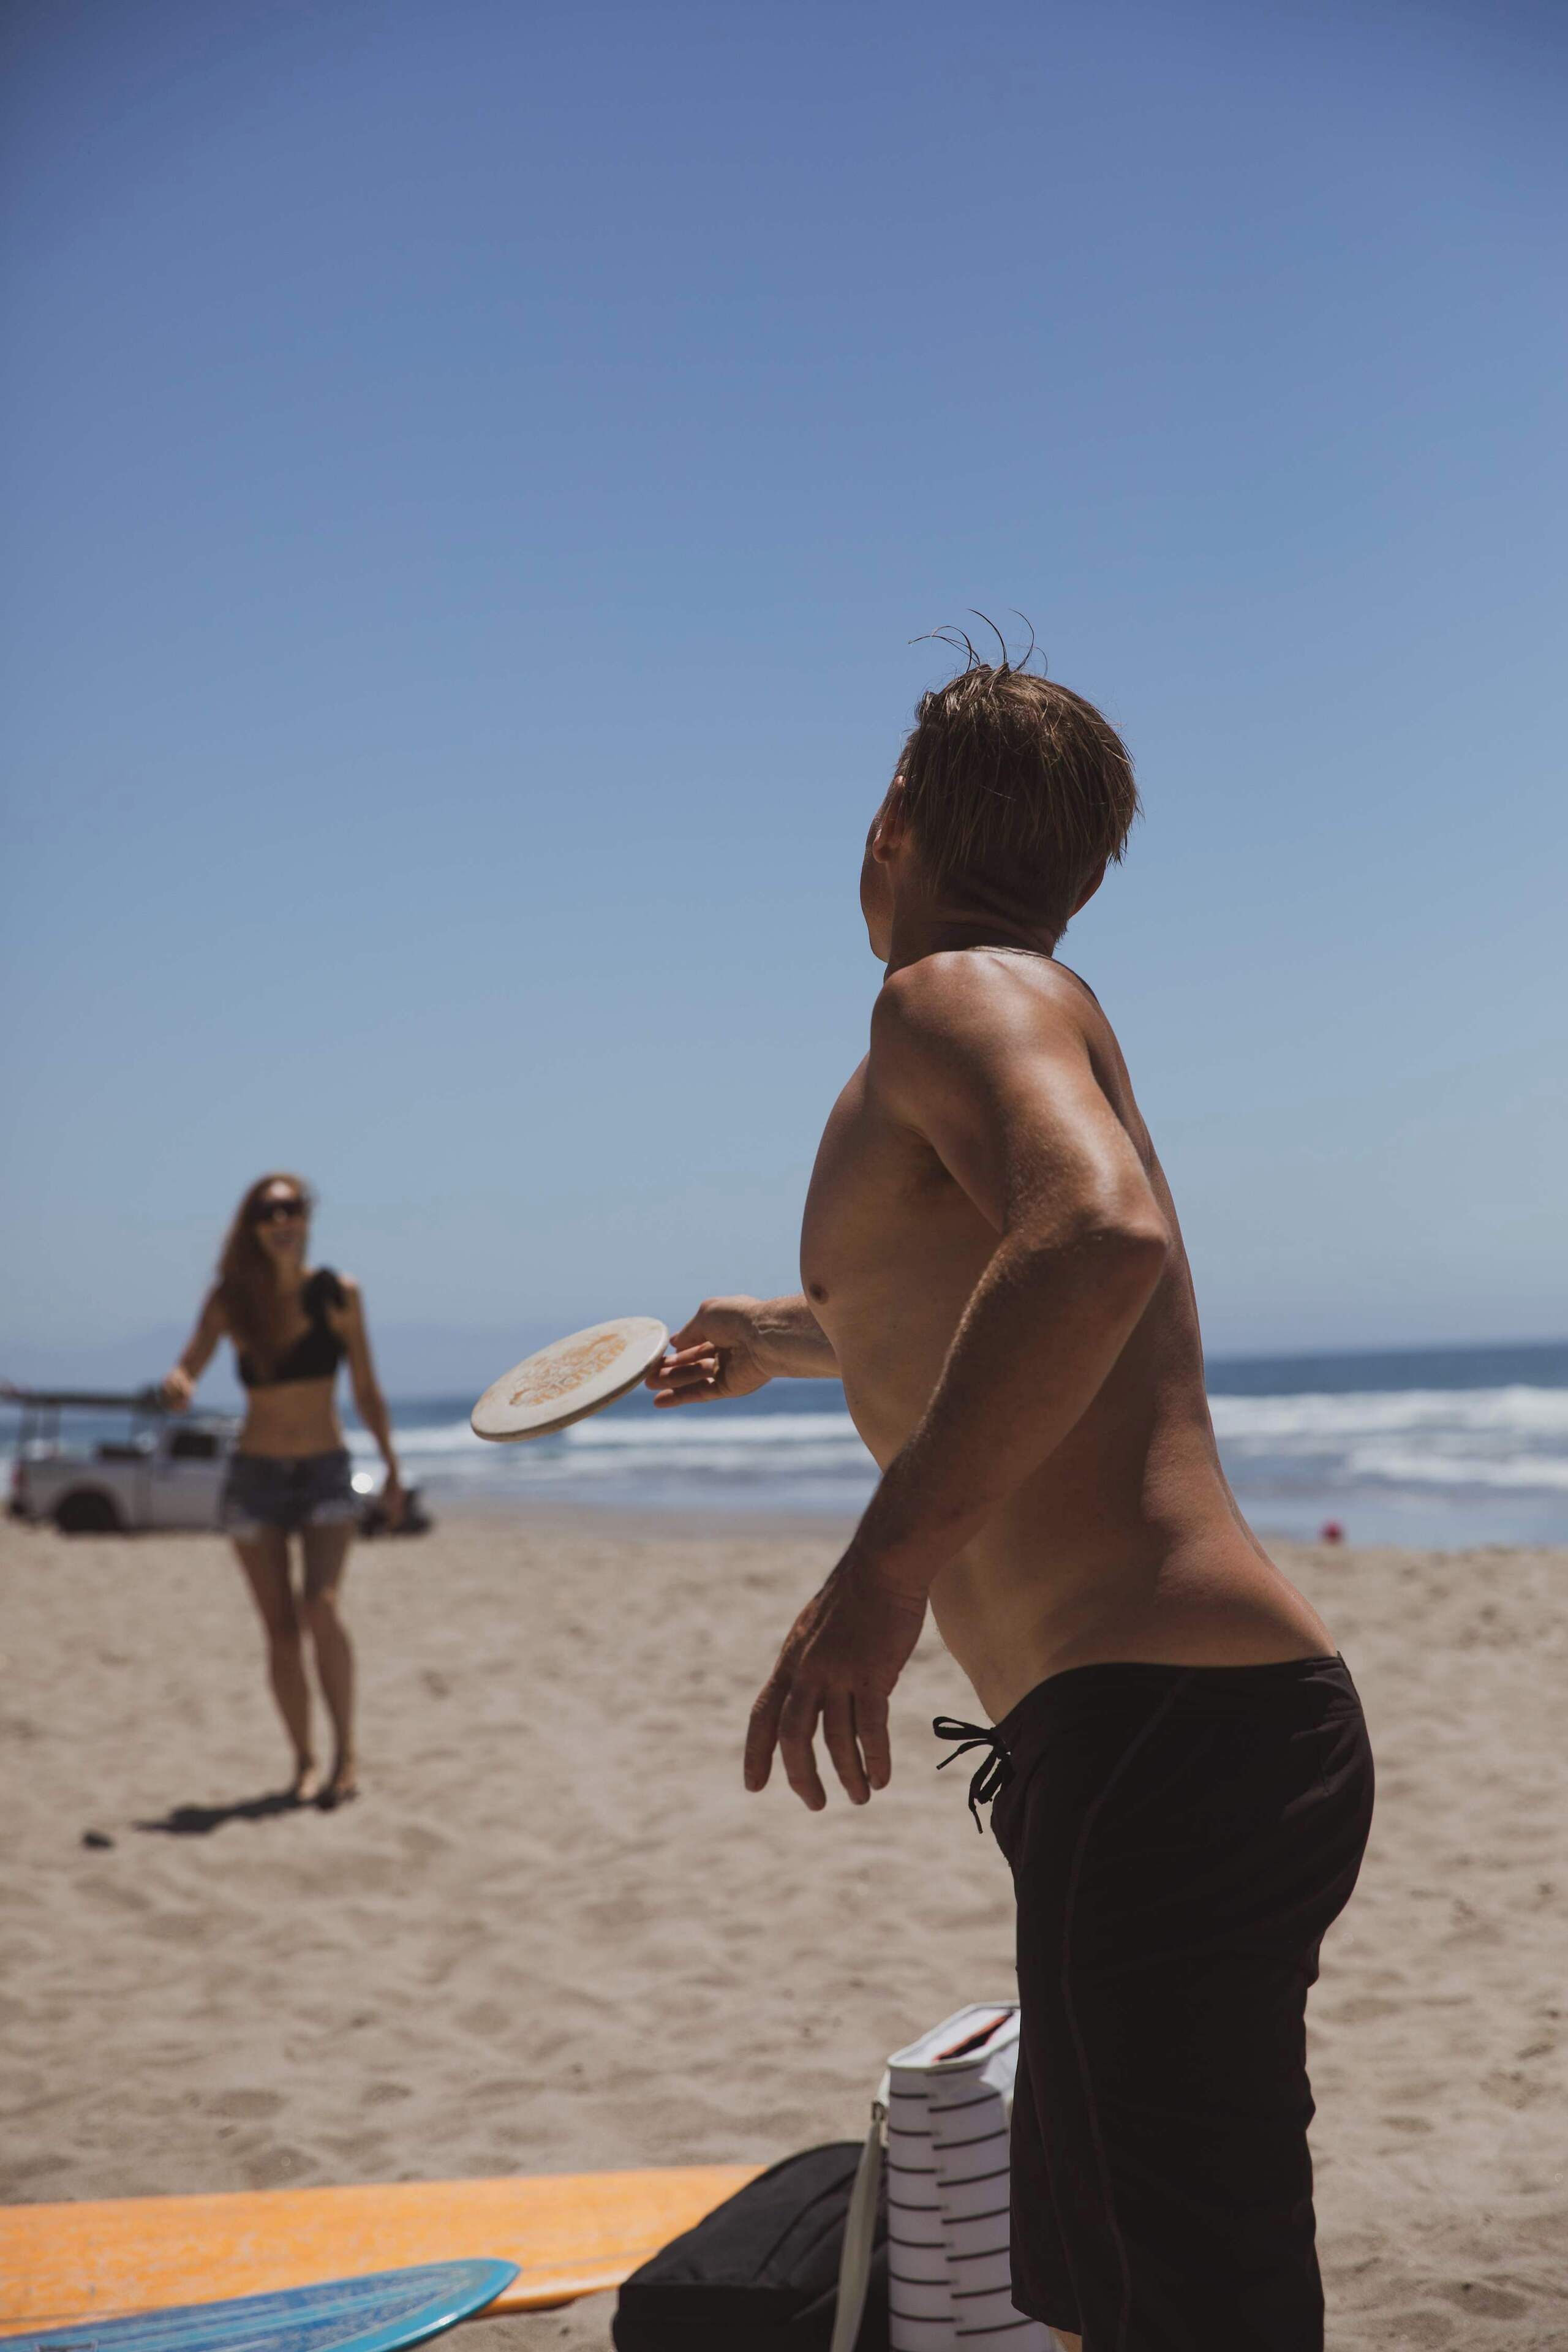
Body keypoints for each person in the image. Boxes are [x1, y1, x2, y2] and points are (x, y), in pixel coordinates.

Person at [648, 649, 1375, 2352]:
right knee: (1120, 2277)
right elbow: (976, 1298)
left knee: (1189, 2299)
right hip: (1161, 1738)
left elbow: (1098, 1238)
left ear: (891, 820)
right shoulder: (1011, 1004)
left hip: (1174, 1736)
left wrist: (880, 1573)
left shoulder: (953, 995)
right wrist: (773, 1339)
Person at [162, 1172, 404, 1807]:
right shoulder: (231, 1301)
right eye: (269, 1211)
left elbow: (367, 1390)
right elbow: (189, 1362)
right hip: (256, 1477)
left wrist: (392, 1467)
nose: (282, 1220)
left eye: (292, 1208)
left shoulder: (337, 1295)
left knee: (320, 1607)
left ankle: (346, 1752)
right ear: (252, 1224)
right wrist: (180, 1383)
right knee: (279, 1633)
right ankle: (302, 1759)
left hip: (326, 1468)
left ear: (306, 1219)